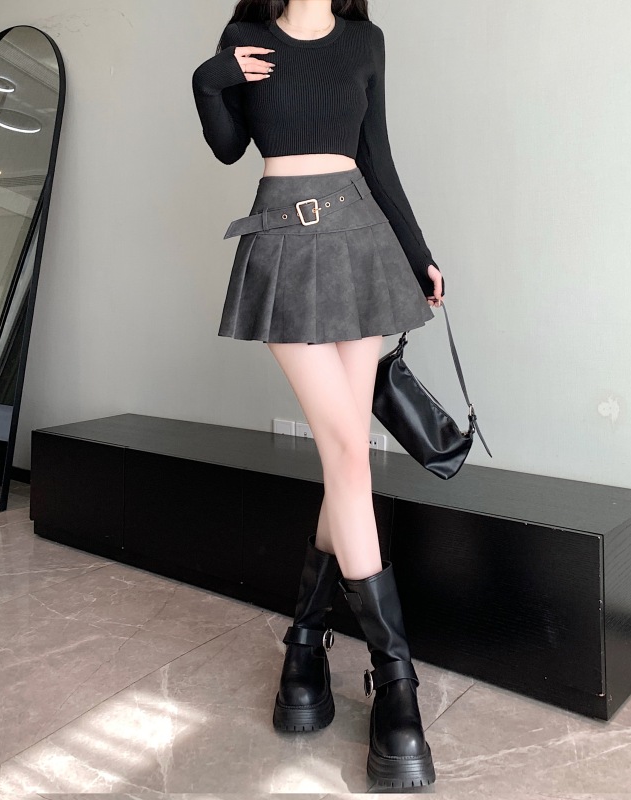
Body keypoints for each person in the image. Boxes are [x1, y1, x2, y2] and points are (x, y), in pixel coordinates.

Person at [192, 0, 443, 789]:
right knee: (346, 453)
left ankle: (304, 653)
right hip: (284, 243)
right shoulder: (245, 40)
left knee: (346, 457)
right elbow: (228, 148)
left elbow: (378, 156)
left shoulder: (366, 41)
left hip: (363, 241)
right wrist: (209, 80)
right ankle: (395, 682)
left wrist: (419, 253)